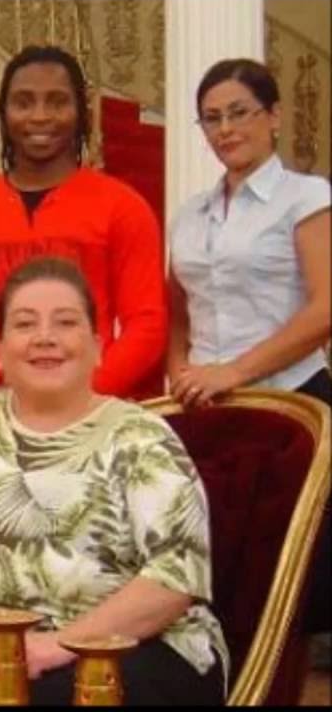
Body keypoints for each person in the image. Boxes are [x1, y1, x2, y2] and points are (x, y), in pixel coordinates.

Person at [0, 256, 227, 706]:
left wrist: (60, 644)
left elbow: (176, 577)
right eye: (25, 324)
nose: (45, 337)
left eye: (65, 322)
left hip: (134, 650)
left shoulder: (140, 437)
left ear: (98, 346)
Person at [166, 57, 330, 668]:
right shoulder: (191, 212)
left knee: (289, 568)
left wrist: (235, 371)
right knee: (221, 562)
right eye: (211, 118)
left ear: (274, 116)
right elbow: (177, 308)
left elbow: (325, 307)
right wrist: (180, 370)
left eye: (239, 113)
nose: (226, 129)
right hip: (209, 408)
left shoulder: (306, 197)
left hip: (293, 400)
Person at [0, 45, 167, 399]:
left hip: (94, 405)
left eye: (57, 102)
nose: (40, 116)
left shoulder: (124, 206)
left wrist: (85, 395)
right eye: (23, 102)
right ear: (3, 112)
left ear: (81, 112)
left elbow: (147, 323)